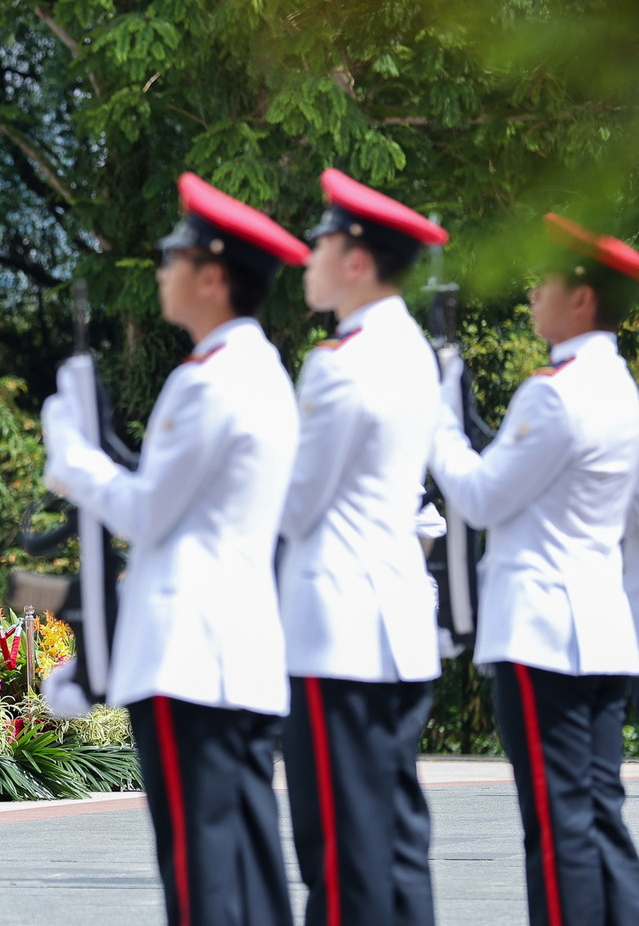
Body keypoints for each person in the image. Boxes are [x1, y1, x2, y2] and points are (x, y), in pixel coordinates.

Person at [43, 173, 307, 926]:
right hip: (234, 650)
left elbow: (148, 511)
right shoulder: (259, 369)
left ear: (214, 275)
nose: (164, 270)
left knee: (203, 880)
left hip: (193, 657)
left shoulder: (210, 380)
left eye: (175, 256)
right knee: (246, 872)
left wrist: (71, 450)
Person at [430, 213, 639, 925]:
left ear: (581, 298)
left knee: (556, 828)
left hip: (542, 635)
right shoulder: (623, 391)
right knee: (599, 815)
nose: (531, 297)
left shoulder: (554, 392)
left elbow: (481, 496)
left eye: (544, 284)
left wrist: (441, 421)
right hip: (604, 632)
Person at [277, 168, 446, 926]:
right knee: (395, 840)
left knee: (340, 854)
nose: (308, 256)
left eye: (320, 241)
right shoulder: (411, 347)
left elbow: (295, 503)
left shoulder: (339, 363)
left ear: (355, 259)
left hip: (339, 633)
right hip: (398, 625)